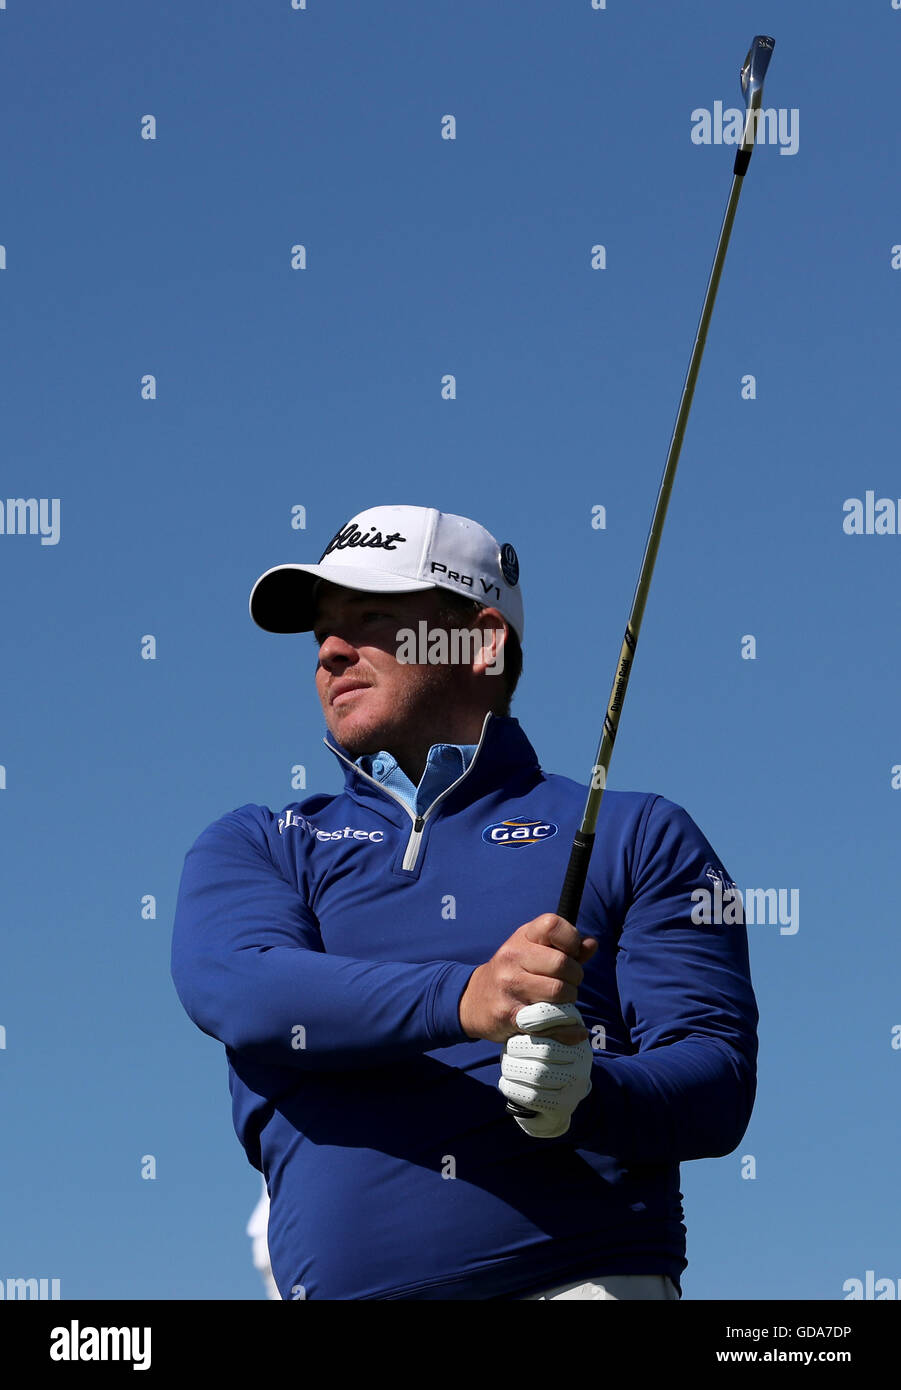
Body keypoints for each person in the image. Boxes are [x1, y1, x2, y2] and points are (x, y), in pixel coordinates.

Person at [170, 503, 758, 1301]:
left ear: (479, 641)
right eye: (320, 633)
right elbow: (239, 986)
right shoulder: (262, 841)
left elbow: (715, 1082)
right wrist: (469, 997)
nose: (330, 652)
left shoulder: (639, 832)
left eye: (370, 617)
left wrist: (588, 1094)